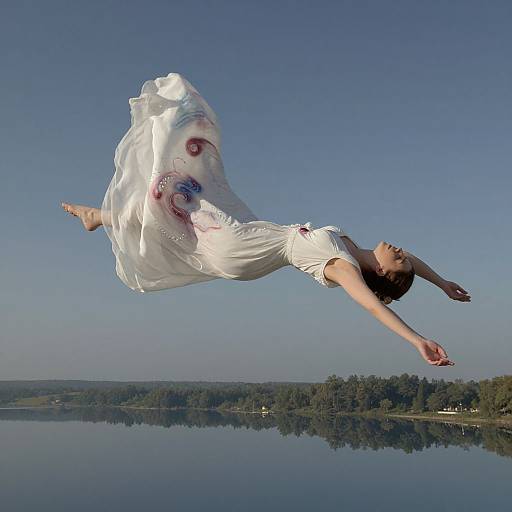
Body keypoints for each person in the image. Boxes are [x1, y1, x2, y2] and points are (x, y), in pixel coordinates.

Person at [62, 73, 470, 368]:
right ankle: (100, 217)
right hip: (257, 239)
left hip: (243, 247)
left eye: (397, 259)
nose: (401, 250)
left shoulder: (342, 267)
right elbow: (411, 262)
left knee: (182, 190)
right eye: (403, 256)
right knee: (180, 201)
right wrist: (443, 284)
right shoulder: (352, 248)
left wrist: (417, 340)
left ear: (381, 270)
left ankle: (103, 215)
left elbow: (375, 308)